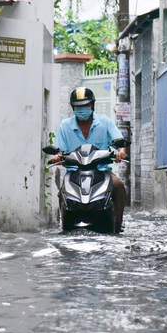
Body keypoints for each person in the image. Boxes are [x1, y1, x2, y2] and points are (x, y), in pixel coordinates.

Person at [51, 86, 128, 232]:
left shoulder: (104, 122)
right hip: (74, 171)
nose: (82, 109)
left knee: (118, 186)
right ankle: (64, 225)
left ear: (92, 105)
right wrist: (56, 156)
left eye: (85, 105)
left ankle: (118, 225)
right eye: (78, 106)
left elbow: (119, 141)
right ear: (73, 107)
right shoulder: (65, 126)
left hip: (102, 170)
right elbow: (58, 149)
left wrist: (121, 152)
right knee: (62, 192)